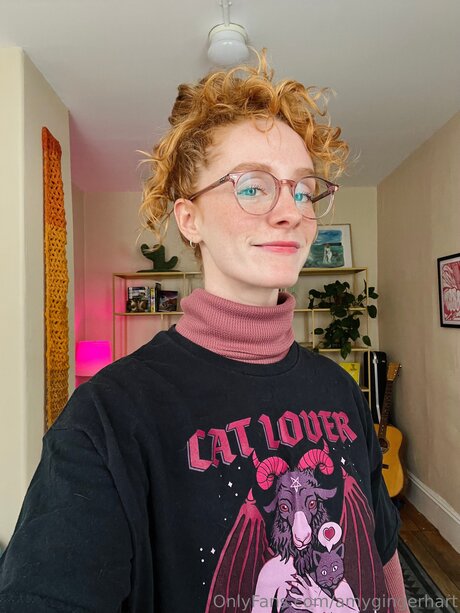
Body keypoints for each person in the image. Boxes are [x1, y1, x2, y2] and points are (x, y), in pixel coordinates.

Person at [0, 52, 409, 613]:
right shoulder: (108, 416)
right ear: (189, 218)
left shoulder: (339, 389)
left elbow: (381, 558)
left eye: (302, 190)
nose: (291, 211)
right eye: (252, 187)